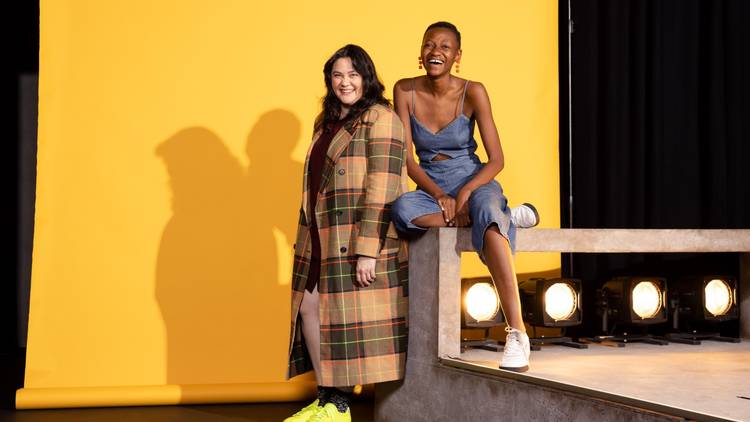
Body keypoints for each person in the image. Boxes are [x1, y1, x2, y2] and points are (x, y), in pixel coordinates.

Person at [391, 21, 536, 372]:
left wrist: (467, 192)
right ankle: (503, 216)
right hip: (431, 185)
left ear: (457, 56)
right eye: (429, 45)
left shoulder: (474, 91)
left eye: (444, 46)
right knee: (402, 209)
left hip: (473, 178)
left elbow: (497, 159)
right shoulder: (405, 91)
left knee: (485, 209)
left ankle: (517, 332)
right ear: (420, 51)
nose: (435, 52)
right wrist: (440, 194)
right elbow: (407, 160)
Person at [285, 44, 409, 422]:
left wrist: (368, 249)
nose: (345, 82)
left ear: (366, 78)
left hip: (355, 235)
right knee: (309, 307)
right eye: (338, 75)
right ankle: (326, 398)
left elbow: (384, 187)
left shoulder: (380, 118)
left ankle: (338, 406)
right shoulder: (324, 122)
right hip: (320, 234)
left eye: (353, 75)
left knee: (344, 319)